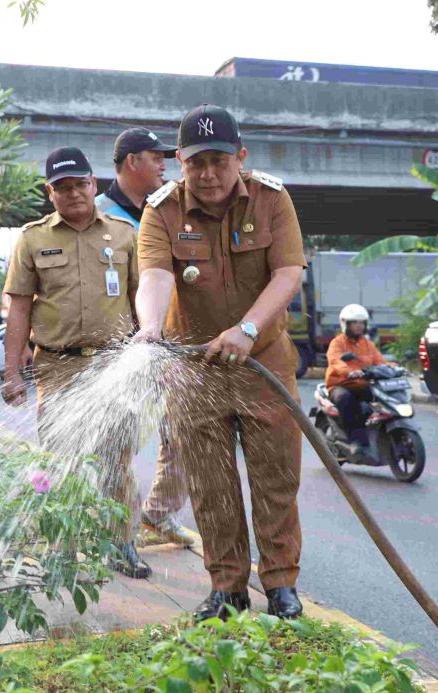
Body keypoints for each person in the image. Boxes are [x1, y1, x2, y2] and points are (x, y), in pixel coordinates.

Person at [134, 103, 307, 621]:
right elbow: (155, 277)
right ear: (180, 162)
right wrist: (149, 329)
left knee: (275, 479)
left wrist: (248, 329)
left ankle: (280, 585)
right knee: (211, 486)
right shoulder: (161, 209)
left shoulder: (274, 200)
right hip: (195, 369)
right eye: (195, 163)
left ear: (240, 157)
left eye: (219, 160)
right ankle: (227, 589)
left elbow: (287, 273)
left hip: (265, 365)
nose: (208, 174)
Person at [1, 146, 150, 579]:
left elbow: (143, 301)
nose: (73, 194)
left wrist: (148, 364)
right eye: (62, 188)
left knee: (116, 461)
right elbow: (19, 310)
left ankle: (122, 545)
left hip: (114, 365)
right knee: (61, 462)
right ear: (51, 193)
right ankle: (61, 550)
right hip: (58, 368)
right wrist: (13, 373)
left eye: (80, 185)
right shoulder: (33, 238)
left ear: (93, 184)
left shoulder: (125, 234)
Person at [97, 127, 192, 548]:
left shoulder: (171, 208)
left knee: (186, 432)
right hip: (126, 352)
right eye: (156, 156)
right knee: (118, 444)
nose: (164, 164)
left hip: (171, 345)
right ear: (132, 161)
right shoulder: (97, 213)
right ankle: (117, 530)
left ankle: (160, 511)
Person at [324, 303, 393, 457]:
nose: (359, 326)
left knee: (381, 397)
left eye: (362, 322)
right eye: (355, 322)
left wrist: (395, 369)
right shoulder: (337, 343)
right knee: (345, 399)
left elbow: (380, 361)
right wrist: (350, 372)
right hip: (340, 385)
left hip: (361, 384)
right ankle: (355, 440)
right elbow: (335, 361)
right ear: (345, 324)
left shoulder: (367, 344)